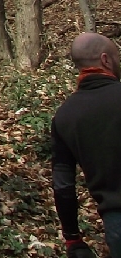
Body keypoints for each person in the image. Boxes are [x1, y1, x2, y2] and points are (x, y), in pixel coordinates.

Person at [51, 31, 121, 258]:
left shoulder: (65, 116)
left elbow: (63, 185)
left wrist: (73, 238)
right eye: (117, 56)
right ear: (105, 60)